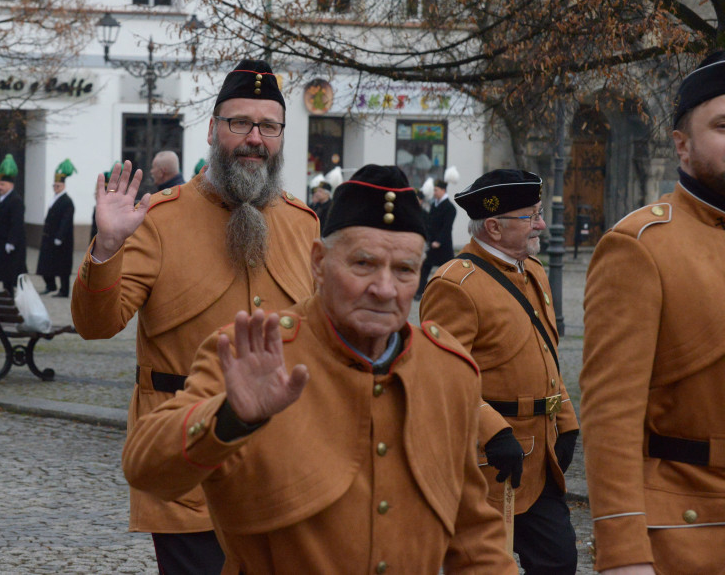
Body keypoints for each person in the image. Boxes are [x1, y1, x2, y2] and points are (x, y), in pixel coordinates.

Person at [121, 165, 517, 573]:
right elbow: (146, 468)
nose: (384, 289)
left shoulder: (447, 370)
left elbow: (473, 538)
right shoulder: (255, 356)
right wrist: (230, 418)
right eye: (363, 264)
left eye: (404, 270)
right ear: (318, 262)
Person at [72, 59, 319, 575]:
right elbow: (96, 324)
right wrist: (108, 247)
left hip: (286, 466)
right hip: (188, 465)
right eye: (239, 123)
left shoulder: (302, 224)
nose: (254, 138)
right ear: (212, 129)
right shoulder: (160, 219)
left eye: (268, 126)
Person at [580, 51, 725, 574]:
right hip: (689, 531)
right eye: (724, 125)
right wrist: (623, 552)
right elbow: (610, 415)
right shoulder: (640, 247)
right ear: (682, 146)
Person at [419, 169, 579, 574]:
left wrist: (566, 419)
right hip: (491, 464)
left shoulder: (534, 271)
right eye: (531, 216)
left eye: (539, 213)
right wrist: (492, 430)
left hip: (540, 458)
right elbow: (442, 377)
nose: (541, 224)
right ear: (493, 226)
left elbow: (547, 356)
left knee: (559, 560)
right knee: (483, 565)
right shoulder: (456, 285)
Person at [0, 154, 28, 293]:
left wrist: (12, 242)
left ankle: (8, 299)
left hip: (9, 245)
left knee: (8, 277)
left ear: (10, 185)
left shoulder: (15, 200)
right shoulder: (4, 198)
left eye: (2, 184)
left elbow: (16, 223)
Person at [415, 167, 459, 300]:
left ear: (443, 190)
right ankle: (419, 292)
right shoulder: (434, 205)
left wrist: (439, 241)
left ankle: (449, 292)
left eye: (436, 190)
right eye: (433, 190)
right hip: (432, 243)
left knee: (448, 271)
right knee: (425, 268)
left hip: (443, 245)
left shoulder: (450, 208)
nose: (434, 192)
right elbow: (430, 224)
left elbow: (447, 227)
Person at [37, 159, 76, 297]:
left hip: (62, 240)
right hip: (50, 237)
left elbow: (66, 221)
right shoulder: (54, 198)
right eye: (54, 185)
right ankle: (50, 285)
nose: (56, 188)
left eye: (58, 185)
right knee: (47, 263)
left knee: (62, 266)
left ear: (63, 186)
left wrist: (60, 237)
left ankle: (64, 290)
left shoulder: (67, 201)